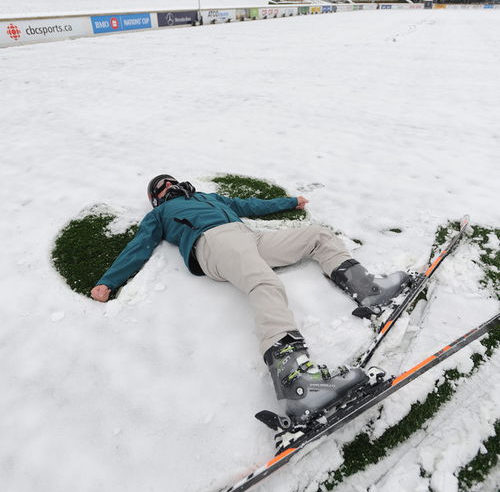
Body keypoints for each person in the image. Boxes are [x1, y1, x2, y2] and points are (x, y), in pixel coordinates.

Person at [91, 174, 410, 425]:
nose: (168, 187)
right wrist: (109, 281)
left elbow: (249, 206)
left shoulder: (208, 197)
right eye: (159, 188)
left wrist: (290, 201)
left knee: (317, 235)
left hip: (248, 238)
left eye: (170, 181)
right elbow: (139, 245)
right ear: (155, 200)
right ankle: (297, 385)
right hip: (212, 244)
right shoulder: (161, 214)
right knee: (265, 283)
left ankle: (370, 291)